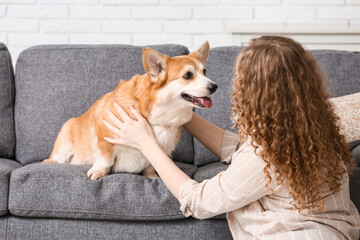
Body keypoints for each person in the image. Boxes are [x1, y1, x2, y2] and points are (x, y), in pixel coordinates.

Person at [103, 36, 360, 239]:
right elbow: (240, 149)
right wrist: (176, 109)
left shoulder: (265, 156)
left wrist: (146, 144)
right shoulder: (310, 129)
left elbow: (200, 201)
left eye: (241, 80)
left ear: (255, 91)